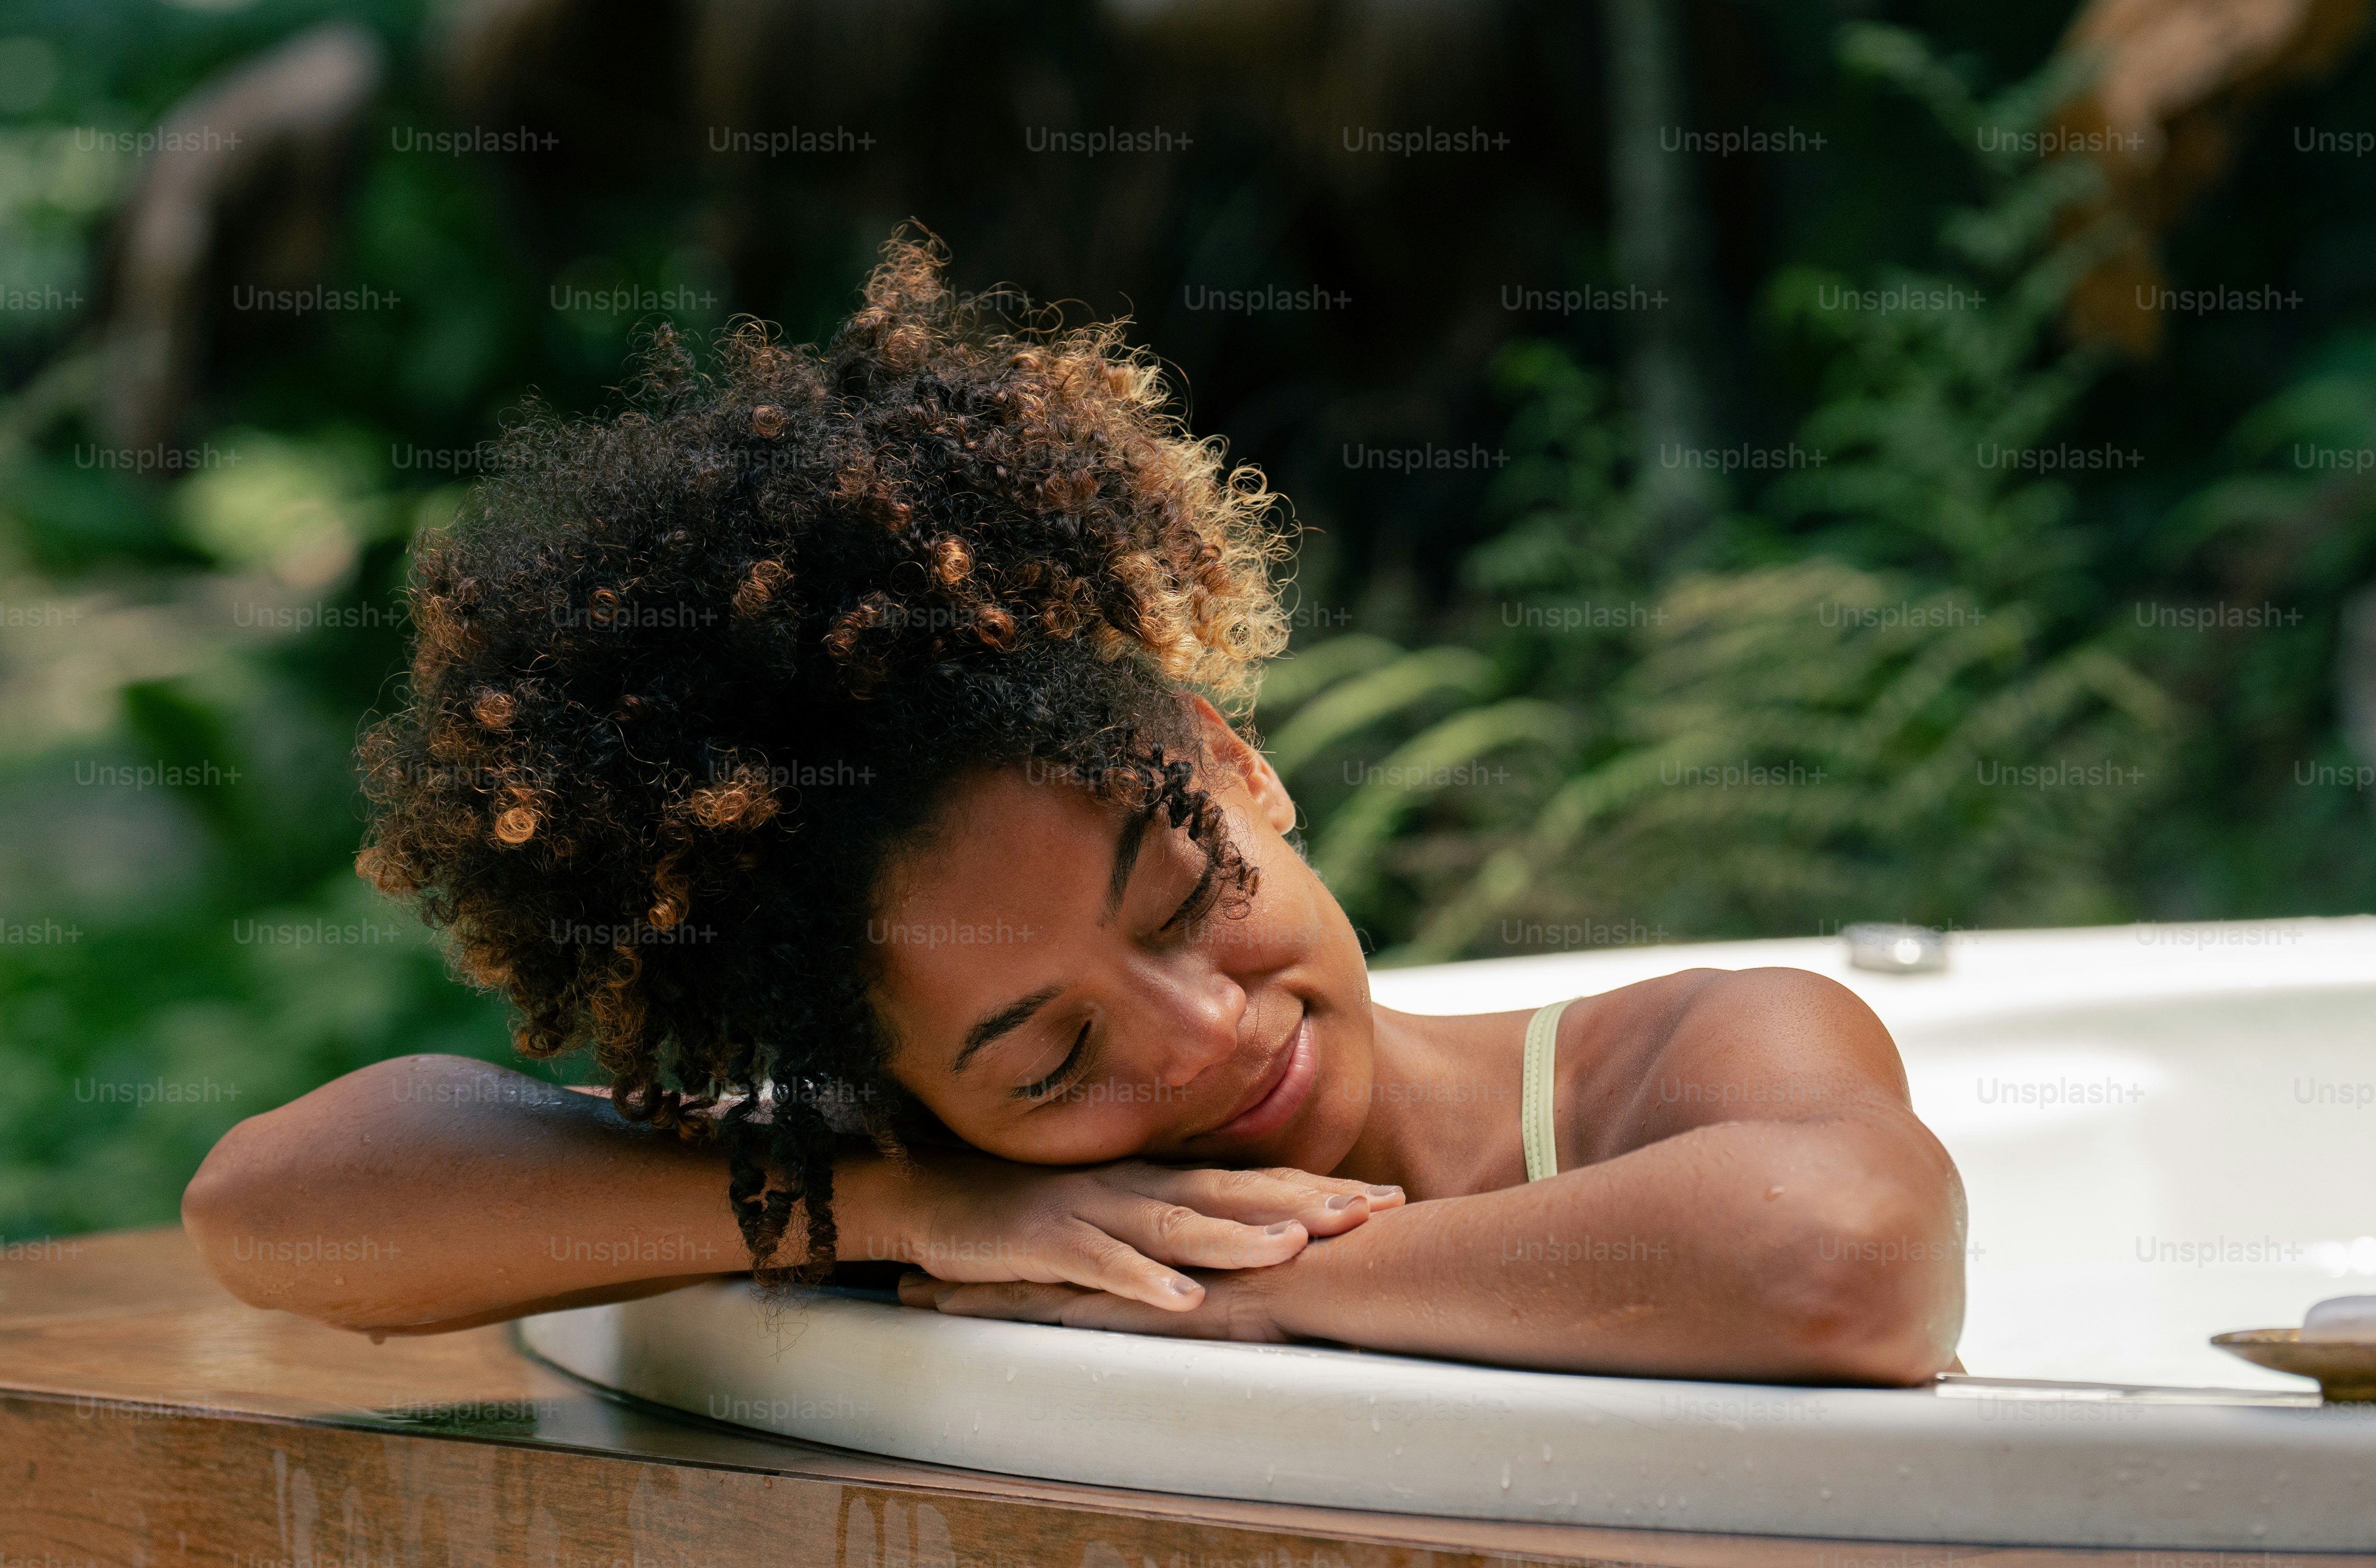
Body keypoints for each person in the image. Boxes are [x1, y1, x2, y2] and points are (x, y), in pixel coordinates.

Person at [182, 238, 1963, 1385]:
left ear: (1235, 759)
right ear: (906, 1094)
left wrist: (1240, 1290)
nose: (1199, 1042)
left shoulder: (1661, 1069)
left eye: (1188, 897)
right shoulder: (947, 1193)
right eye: (1041, 1064)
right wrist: (901, 1212)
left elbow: (1840, 1259)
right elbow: (275, 1209)